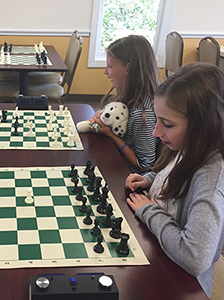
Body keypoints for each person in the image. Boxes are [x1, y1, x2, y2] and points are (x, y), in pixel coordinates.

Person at [125, 63, 224, 298]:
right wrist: (150, 180)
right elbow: (172, 175)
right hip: (157, 250)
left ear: (203, 126)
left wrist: (149, 210)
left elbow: (195, 258)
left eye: (167, 124)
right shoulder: (186, 147)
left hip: (180, 284)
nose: (155, 132)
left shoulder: (210, 179)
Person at [89, 35, 160, 174]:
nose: (105, 72)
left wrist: (111, 135)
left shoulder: (143, 114)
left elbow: (144, 165)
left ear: (128, 68)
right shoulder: (127, 97)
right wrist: (101, 117)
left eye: (110, 66)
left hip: (126, 176)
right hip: (114, 161)